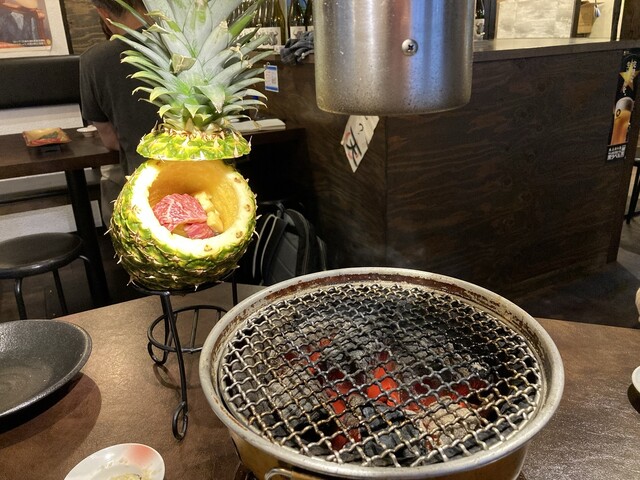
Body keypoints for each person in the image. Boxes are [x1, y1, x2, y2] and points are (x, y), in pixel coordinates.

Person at [79, 0, 159, 226]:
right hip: (215, 178)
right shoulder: (188, 46)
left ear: (103, 13)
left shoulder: (94, 60)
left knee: (111, 181)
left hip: (145, 185)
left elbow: (110, 140)